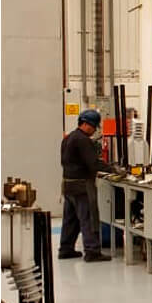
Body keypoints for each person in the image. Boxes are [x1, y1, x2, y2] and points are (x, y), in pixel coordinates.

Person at [58, 109, 114, 262]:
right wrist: (114, 169)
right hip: (82, 185)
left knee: (70, 220)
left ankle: (66, 249)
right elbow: (93, 163)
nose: (94, 130)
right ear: (86, 124)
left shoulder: (68, 138)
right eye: (94, 127)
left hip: (68, 185)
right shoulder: (83, 140)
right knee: (88, 218)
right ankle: (92, 251)